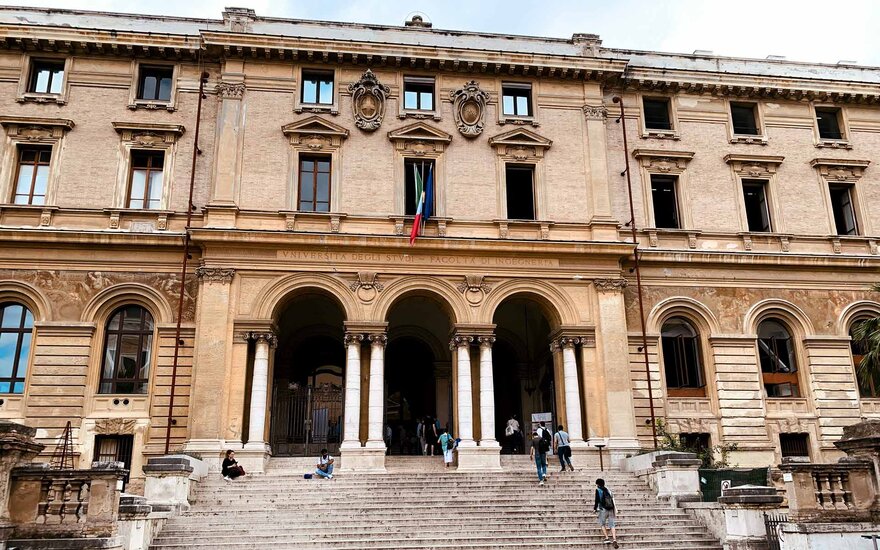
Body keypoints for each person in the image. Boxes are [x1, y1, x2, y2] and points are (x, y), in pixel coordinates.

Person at [594, 478, 619, 548]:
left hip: (603, 509)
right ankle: (614, 539)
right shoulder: (608, 490)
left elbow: (596, 500)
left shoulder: (598, 490)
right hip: (611, 509)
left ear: (598, 484)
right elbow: (612, 499)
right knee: (612, 525)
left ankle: (607, 538)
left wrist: (595, 508)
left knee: (602, 524)